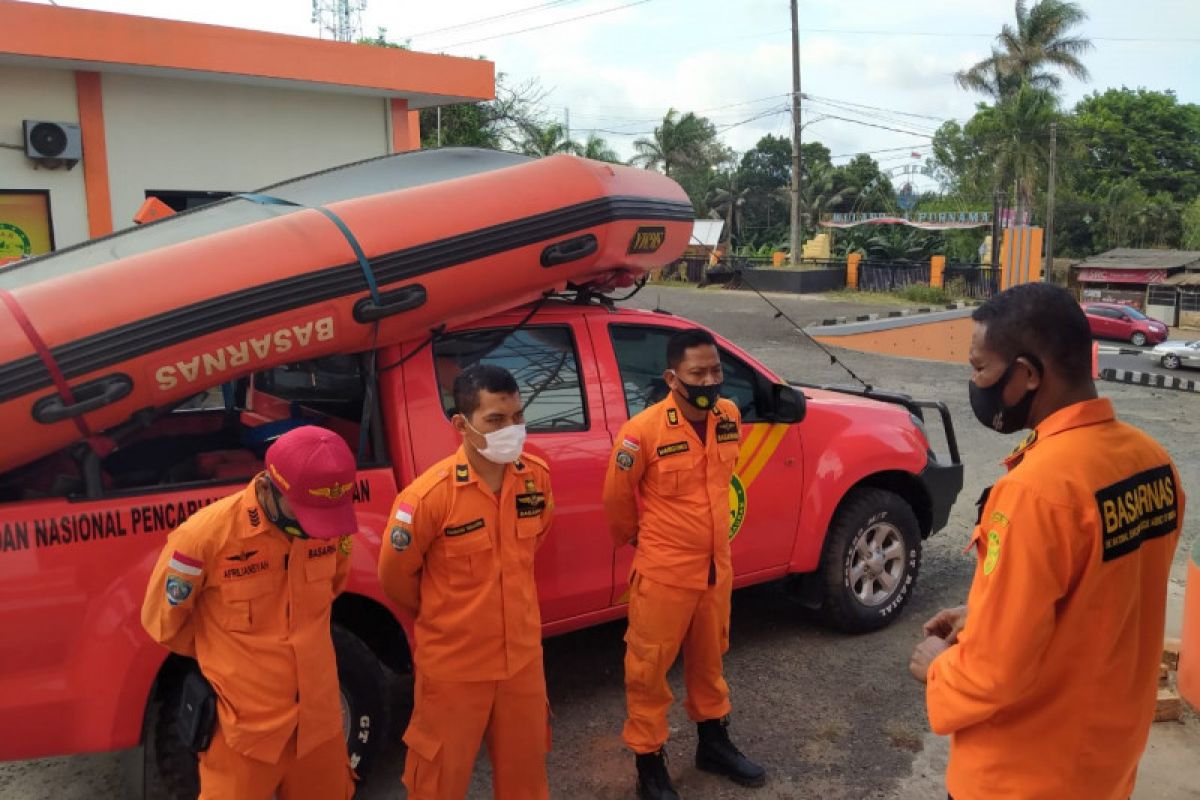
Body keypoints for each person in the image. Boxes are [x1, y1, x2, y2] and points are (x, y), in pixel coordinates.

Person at [909, 283, 1185, 800]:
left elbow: (994, 674)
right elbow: (1105, 594)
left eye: (980, 368)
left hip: (1022, 775)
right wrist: (985, 613)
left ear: (1028, 374)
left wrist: (939, 668)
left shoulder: (1037, 491)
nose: (974, 382)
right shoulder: (1152, 462)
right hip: (1105, 761)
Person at [141, 425, 359, 800]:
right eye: (305, 513)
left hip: (320, 725)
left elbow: (333, 587)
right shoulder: (204, 538)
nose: (315, 529)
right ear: (272, 487)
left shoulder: (331, 523)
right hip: (243, 733)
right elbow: (165, 624)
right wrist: (230, 657)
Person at [603, 328, 766, 800]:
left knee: (710, 662)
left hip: (717, 570)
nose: (710, 380)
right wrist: (643, 541)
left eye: (716, 370)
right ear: (673, 377)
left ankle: (713, 745)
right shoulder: (642, 432)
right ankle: (649, 767)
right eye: (699, 373)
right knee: (648, 671)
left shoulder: (729, 416)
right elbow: (616, 500)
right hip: (664, 573)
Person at [379, 363, 555, 800]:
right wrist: (447, 618)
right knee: (438, 781)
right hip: (455, 668)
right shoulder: (428, 498)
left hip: (522, 663)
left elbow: (532, 547)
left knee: (527, 778)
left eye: (517, 417)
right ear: (461, 424)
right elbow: (396, 579)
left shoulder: (535, 479)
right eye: (495, 420)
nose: (511, 430)